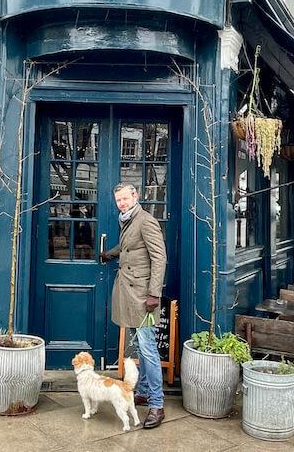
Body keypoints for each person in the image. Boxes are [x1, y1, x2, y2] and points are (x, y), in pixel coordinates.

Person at [100, 182, 167, 429]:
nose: (122, 203)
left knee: (148, 348)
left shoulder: (146, 220)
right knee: (140, 345)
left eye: (126, 199)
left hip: (142, 296)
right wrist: (110, 254)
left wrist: (154, 294)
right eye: (119, 200)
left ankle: (157, 405)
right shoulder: (127, 220)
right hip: (128, 292)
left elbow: (160, 258)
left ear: (135, 196)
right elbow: (129, 247)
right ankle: (146, 391)